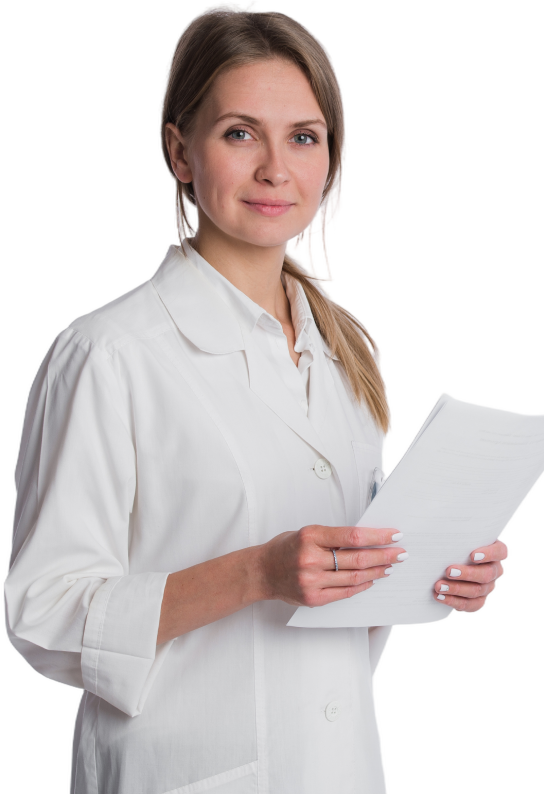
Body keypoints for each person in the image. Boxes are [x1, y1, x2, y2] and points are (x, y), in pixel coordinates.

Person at [3, 5, 510, 793]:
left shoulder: (352, 353)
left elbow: (344, 596)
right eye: (241, 133)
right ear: (180, 151)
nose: (277, 169)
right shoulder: (109, 352)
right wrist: (258, 574)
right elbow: (43, 613)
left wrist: (437, 576)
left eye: (304, 137)